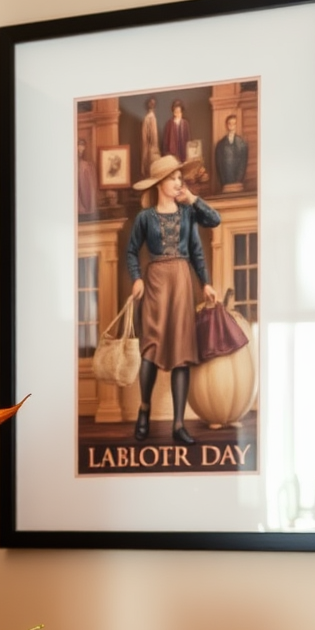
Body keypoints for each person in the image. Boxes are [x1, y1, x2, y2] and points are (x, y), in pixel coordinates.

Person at [125, 154, 220, 445]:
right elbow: (131, 251)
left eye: (180, 177)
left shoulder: (188, 213)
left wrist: (205, 283)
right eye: (174, 178)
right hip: (154, 282)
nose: (179, 182)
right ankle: (144, 410)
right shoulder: (145, 218)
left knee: (182, 352)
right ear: (160, 183)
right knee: (150, 348)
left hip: (181, 280)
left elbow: (212, 225)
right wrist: (137, 278)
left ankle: (179, 425)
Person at [215, 113, 248, 190]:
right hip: (225, 183)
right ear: (226, 125)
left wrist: (238, 180)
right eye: (230, 123)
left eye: (234, 123)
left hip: (238, 183)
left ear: (236, 125)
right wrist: (223, 182)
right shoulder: (220, 145)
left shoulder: (242, 143)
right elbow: (219, 165)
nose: (232, 126)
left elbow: (243, 164)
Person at [77, 136, 98, 217]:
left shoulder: (87, 166)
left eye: (83, 146)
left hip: (85, 204)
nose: (81, 148)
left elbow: (89, 187)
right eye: (79, 145)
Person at [141, 97, 160, 176]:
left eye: (153, 103)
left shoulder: (151, 116)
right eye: (151, 103)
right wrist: (152, 146)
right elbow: (148, 135)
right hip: (150, 147)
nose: (152, 105)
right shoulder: (149, 117)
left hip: (152, 146)